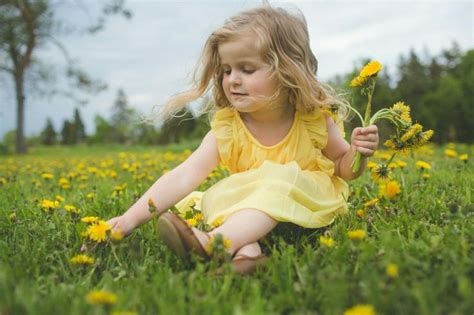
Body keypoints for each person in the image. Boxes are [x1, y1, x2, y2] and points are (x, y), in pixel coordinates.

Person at [105, 4, 379, 274]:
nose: (233, 80)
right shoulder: (228, 128)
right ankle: (247, 257)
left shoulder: (313, 120)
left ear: (287, 71)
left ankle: (216, 243)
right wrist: (129, 219)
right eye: (227, 70)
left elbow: (345, 168)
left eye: (247, 69)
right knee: (234, 197)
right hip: (250, 210)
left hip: (305, 205)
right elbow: (184, 176)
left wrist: (357, 152)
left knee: (280, 180)